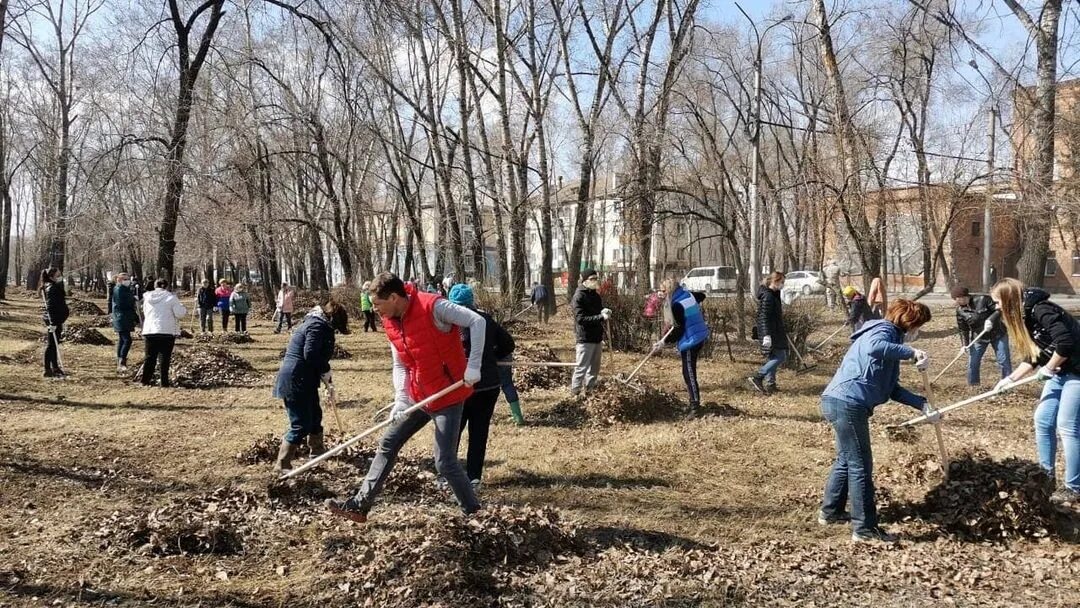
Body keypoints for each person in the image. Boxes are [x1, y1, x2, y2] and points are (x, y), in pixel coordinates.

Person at [325, 273, 485, 523]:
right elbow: (400, 364)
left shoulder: (434, 306)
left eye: (378, 303)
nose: (375, 309)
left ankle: (475, 513)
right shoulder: (390, 321)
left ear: (393, 297)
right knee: (389, 442)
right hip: (419, 396)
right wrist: (401, 398)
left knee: (444, 462)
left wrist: (473, 365)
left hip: (448, 394)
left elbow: (477, 321)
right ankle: (360, 505)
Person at [820, 299, 933, 543]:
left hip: (839, 400)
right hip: (848, 403)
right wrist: (912, 352)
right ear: (910, 321)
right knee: (860, 465)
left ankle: (831, 512)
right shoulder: (883, 331)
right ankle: (865, 529)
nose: (918, 331)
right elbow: (875, 347)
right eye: (919, 326)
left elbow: (891, 388)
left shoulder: (891, 339)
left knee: (846, 459)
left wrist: (922, 405)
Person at [992, 279, 1080, 506]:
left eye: (998, 302)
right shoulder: (1026, 316)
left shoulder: (1041, 309)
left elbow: (1065, 343)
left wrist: (1048, 368)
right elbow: (1035, 355)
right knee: (1043, 420)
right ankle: (1045, 477)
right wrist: (1010, 379)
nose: (996, 307)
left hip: (1077, 371)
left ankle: (1073, 487)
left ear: (1009, 300)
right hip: (1061, 371)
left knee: (1067, 425)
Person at [448, 283, 515, 488]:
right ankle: (473, 476)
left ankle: (447, 473)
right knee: (479, 431)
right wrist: (492, 356)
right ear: (472, 302)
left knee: (451, 430)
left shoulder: (448, 323)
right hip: (486, 385)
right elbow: (508, 344)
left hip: (457, 386)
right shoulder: (485, 320)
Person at [272, 299, 350, 472]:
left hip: (306, 378)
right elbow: (311, 354)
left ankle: (317, 451)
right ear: (332, 318)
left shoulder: (318, 323)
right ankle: (282, 465)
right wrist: (325, 369)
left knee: (315, 415)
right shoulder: (316, 326)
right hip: (295, 379)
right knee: (300, 423)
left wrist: (326, 379)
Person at [653, 279, 709, 417]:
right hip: (700, 334)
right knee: (687, 372)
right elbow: (701, 296)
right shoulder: (687, 294)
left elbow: (678, 330)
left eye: (663, 291)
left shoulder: (677, 305)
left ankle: (695, 407)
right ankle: (693, 403)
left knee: (689, 373)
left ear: (670, 290)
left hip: (691, 340)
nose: (661, 293)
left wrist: (664, 343)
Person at [951, 285, 1011, 388]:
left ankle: (1007, 385)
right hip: (979, 337)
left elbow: (999, 310)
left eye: (957, 299)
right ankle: (974, 386)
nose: (956, 302)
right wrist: (965, 345)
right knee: (973, 362)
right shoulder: (960, 310)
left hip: (998, 334)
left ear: (964, 296)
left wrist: (991, 320)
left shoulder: (983, 299)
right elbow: (963, 329)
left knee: (1004, 360)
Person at [141, 279, 187, 387]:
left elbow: (145, 312)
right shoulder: (171, 297)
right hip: (166, 330)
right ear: (166, 286)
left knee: (149, 357)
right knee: (164, 357)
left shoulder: (147, 298)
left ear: (155, 286)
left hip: (150, 329)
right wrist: (183, 308)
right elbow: (179, 314)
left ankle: (145, 380)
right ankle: (164, 382)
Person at [570, 269, 609, 395]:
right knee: (581, 367)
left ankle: (590, 391)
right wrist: (600, 317)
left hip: (597, 337)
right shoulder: (578, 296)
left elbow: (598, 311)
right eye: (592, 279)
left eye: (596, 278)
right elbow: (581, 319)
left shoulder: (595, 295)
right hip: (585, 337)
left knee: (594, 368)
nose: (595, 281)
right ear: (584, 281)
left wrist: (603, 311)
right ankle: (575, 391)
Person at [749, 272, 787, 395]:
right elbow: (763, 317)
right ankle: (758, 376)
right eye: (781, 282)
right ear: (774, 281)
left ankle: (771, 384)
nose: (782, 285)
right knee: (781, 356)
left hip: (775, 330)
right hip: (770, 332)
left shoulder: (774, 294)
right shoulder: (768, 296)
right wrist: (766, 335)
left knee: (773, 357)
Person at [40, 267, 69, 379]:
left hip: (57, 319)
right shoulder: (51, 288)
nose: (60, 277)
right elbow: (51, 306)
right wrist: (52, 322)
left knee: (54, 344)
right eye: (57, 275)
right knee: (51, 344)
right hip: (54, 320)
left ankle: (55, 367)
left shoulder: (54, 286)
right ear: (51, 277)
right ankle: (47, 369)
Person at [111, 273, 138, 374]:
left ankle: (120, 360)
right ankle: (122, 361)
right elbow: (122, 304)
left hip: (124, 317)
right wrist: (133, 299)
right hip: (121, 317)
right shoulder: (119, 289)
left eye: (128, 279)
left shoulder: (123, 289)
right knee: (127, 340)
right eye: (126, 279)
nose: (128, 281)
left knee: (122, 340)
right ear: (120, 280)